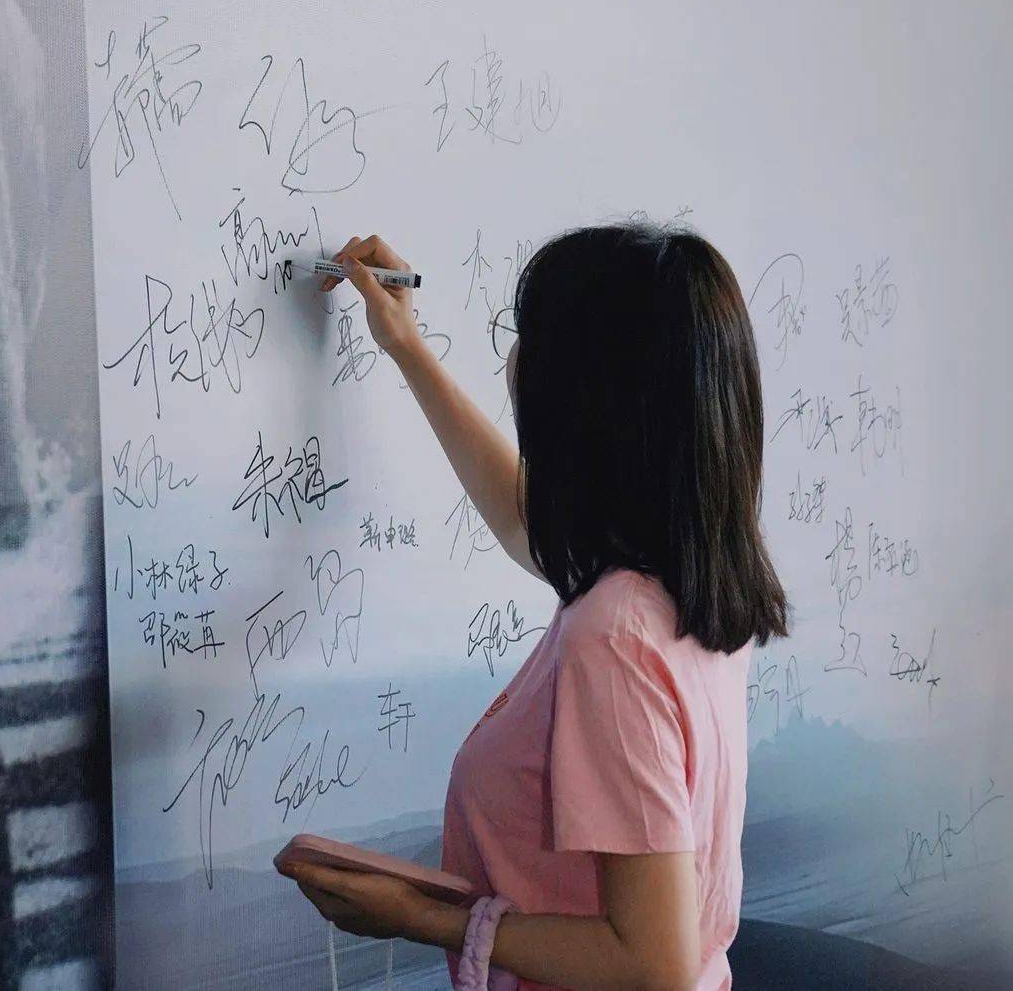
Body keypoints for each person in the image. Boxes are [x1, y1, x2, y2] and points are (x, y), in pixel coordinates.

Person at [280, 223, 789, 990]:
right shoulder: (684, 575)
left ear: (588, 399)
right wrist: (407, 347)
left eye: (528, 338)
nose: (514, 362)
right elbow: (526, 520)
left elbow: (650, 964)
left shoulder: (615, 634)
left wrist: (418, 915)